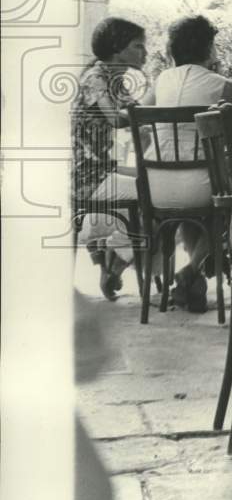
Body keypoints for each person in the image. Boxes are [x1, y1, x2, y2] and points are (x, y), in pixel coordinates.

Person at [144, 14, 232, 313]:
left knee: (194, 208)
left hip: (157, 186)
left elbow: (137, 113)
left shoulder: (161, 80)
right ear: (209, 47)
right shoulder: (222, 85)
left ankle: (193, 280)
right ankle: (192, 270)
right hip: (199, 187)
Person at [71, 17, 148, 300]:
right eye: (138, 46)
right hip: (87, 176)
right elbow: (116, 118)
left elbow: (139, 109)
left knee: (152, 183)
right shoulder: (96, 78)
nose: (145, 54)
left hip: (101, 171)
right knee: (153, 194)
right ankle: (115, 264)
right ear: (118, 49)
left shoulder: (113, 79)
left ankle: (111, 263)